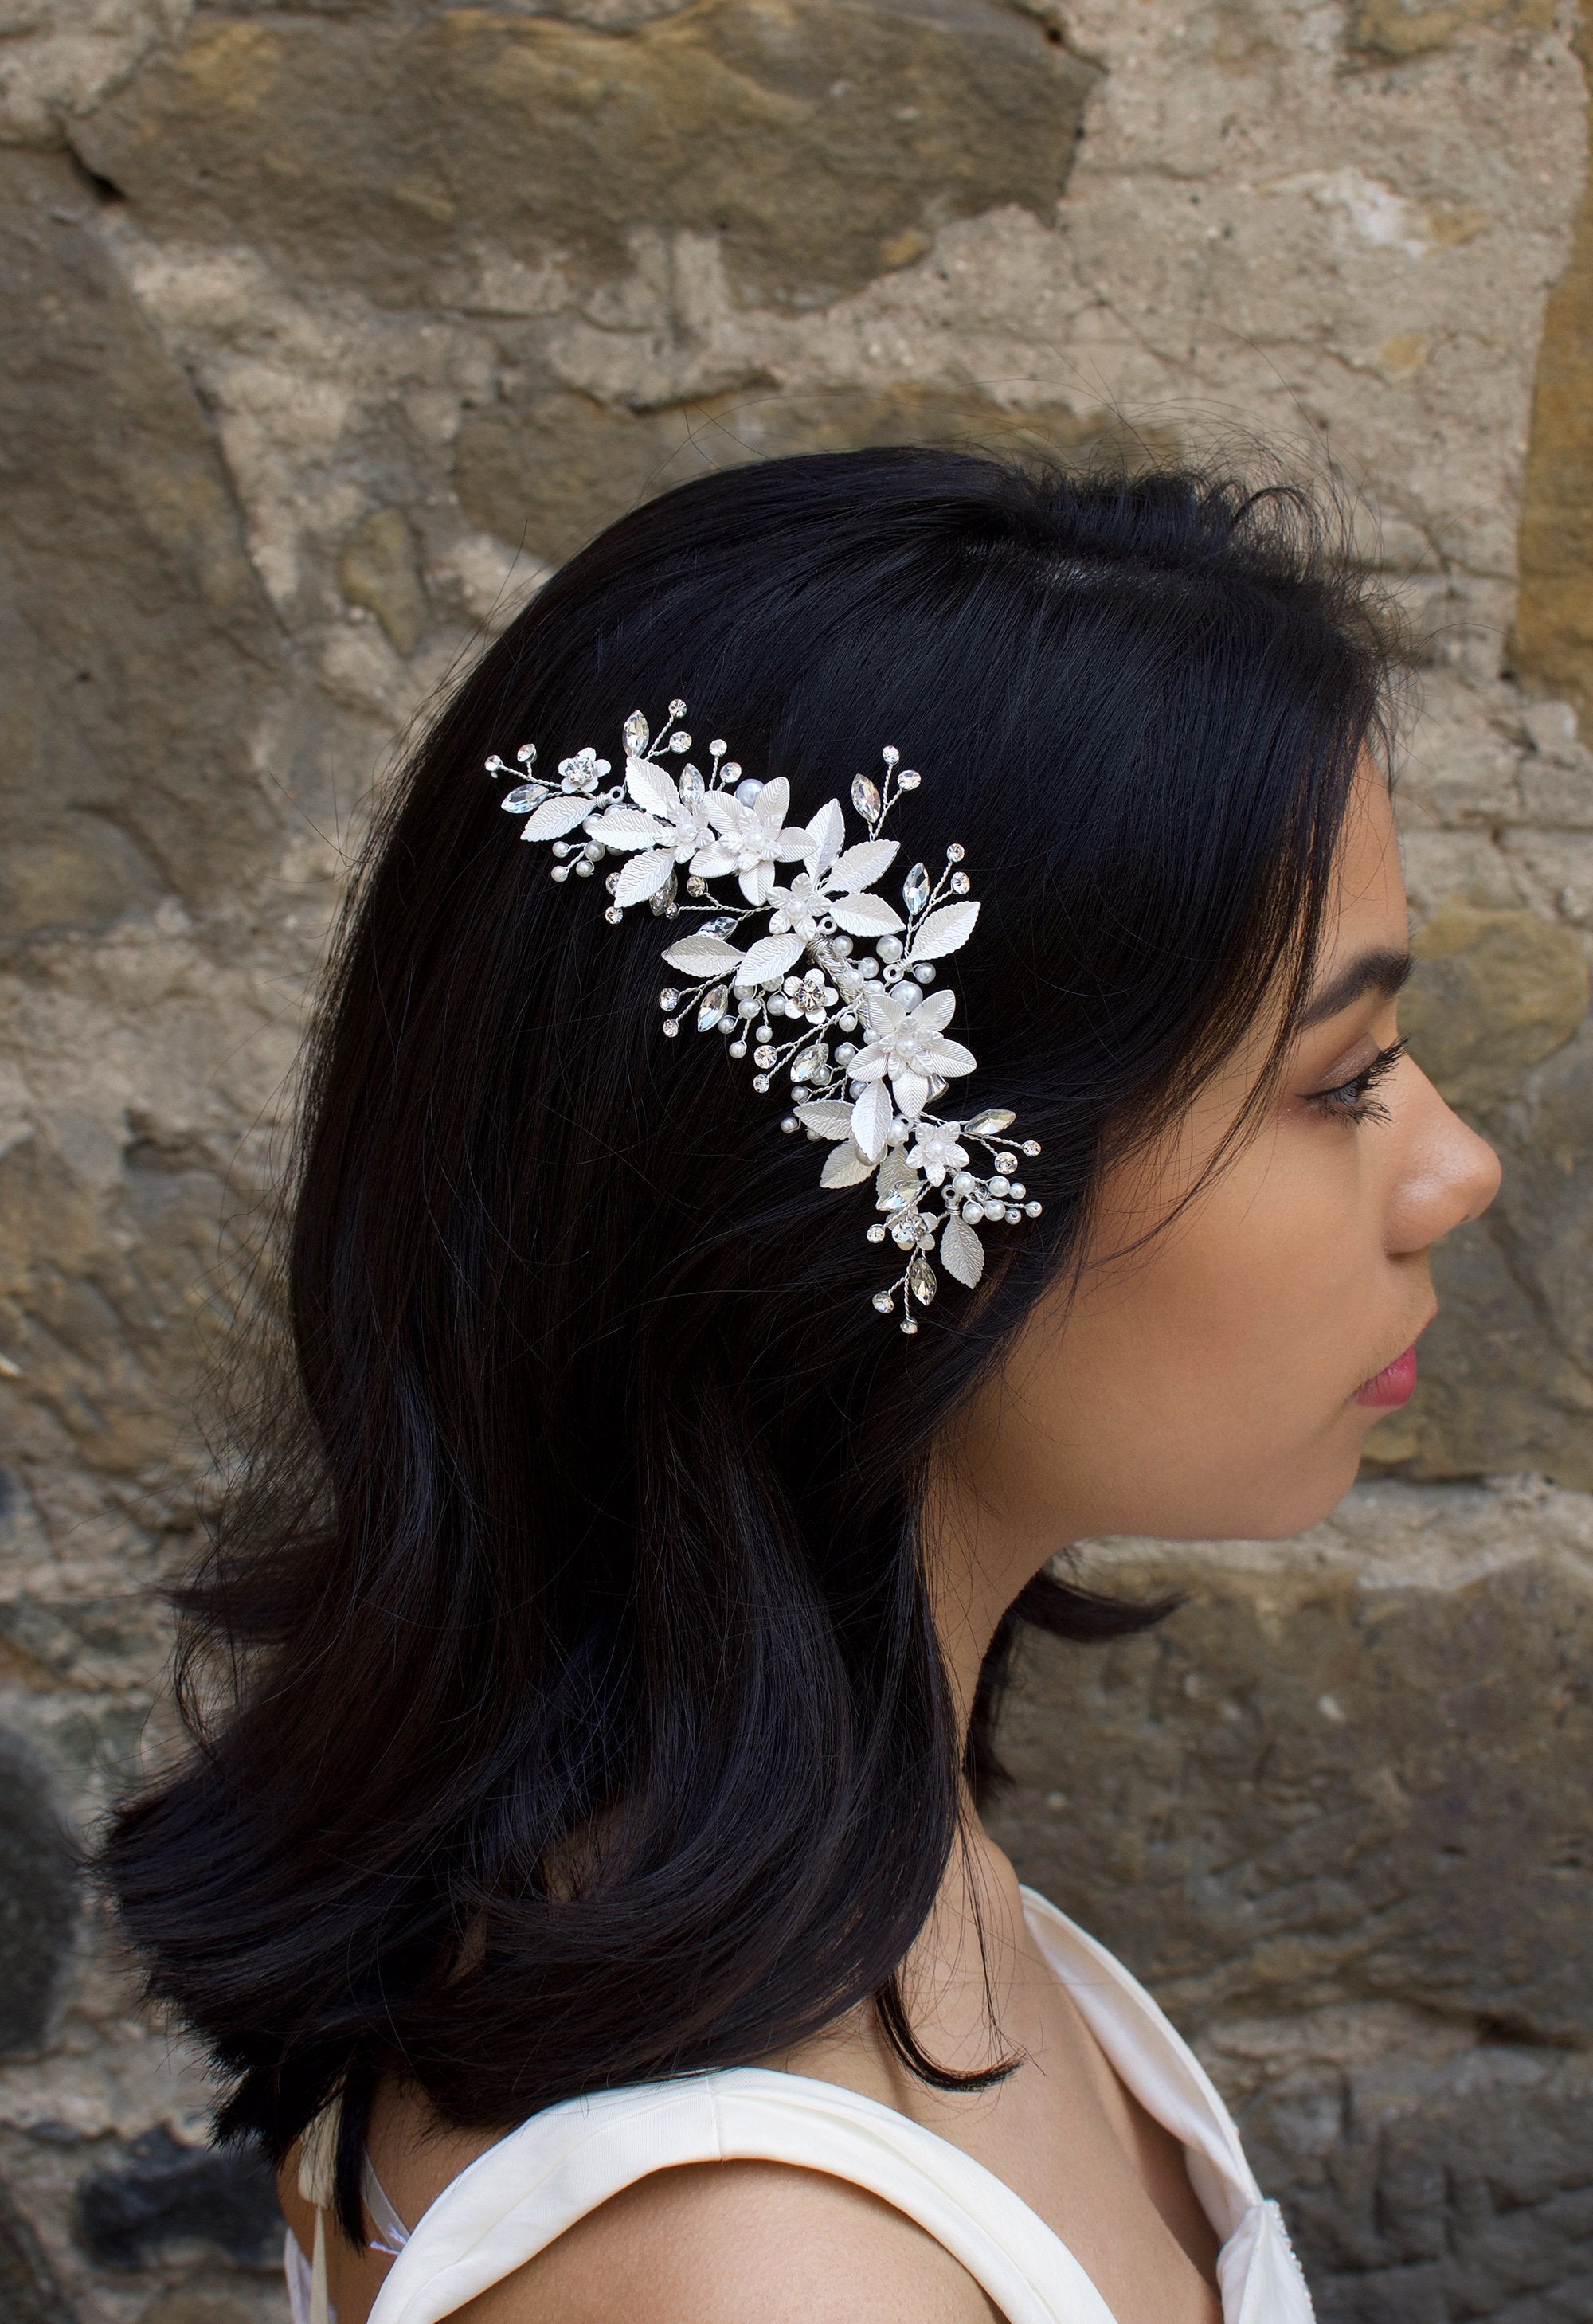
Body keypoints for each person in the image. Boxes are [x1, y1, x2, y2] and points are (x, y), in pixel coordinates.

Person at [102, 451, 1500, 2324]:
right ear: (884, 1201)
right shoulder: (768, 2275)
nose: (1455, 1168)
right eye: (1341, 1077)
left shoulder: (808, 1891)